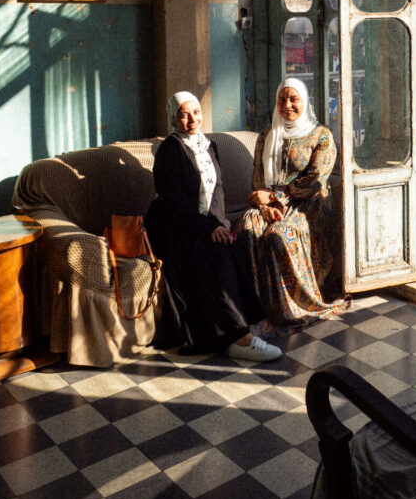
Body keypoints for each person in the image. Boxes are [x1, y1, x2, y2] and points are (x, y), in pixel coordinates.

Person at [145, 91, 281, 362]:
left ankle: (236, 333)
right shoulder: (170, 151)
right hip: (175, 226)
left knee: (232, 244)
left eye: (195, 112)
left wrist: (221, 224)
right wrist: (208, 229)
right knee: (212, 254)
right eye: (183, 114)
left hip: (205, 222)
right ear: (174, 118)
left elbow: (217, 191)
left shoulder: (209, 145)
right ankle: (241, 338)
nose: (191, 119)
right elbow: (174, 203)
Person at [240, 78, 348, 326]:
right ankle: (260, 307)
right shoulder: (268, 134)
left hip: (308, 205)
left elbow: (316, 180)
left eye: (293, 99)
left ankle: (293, 307)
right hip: (269, 204)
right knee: (249, 226)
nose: (287, 105)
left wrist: (278, 197)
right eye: (281, 99)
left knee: (277, 235)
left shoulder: (321, 136)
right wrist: (265, 206)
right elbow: (257, 179)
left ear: (304, 101)